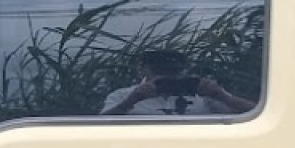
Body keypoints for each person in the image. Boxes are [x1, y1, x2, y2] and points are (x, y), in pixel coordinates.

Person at [101, 49, 252, 116]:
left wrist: (222, 96)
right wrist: (131, 101)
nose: (168, 77)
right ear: (145, 70)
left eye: (174, 72)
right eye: (160, 72)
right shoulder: (122, 95)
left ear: (185, 70)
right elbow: (100, 126)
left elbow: (255, 115)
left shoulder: (204, 93)